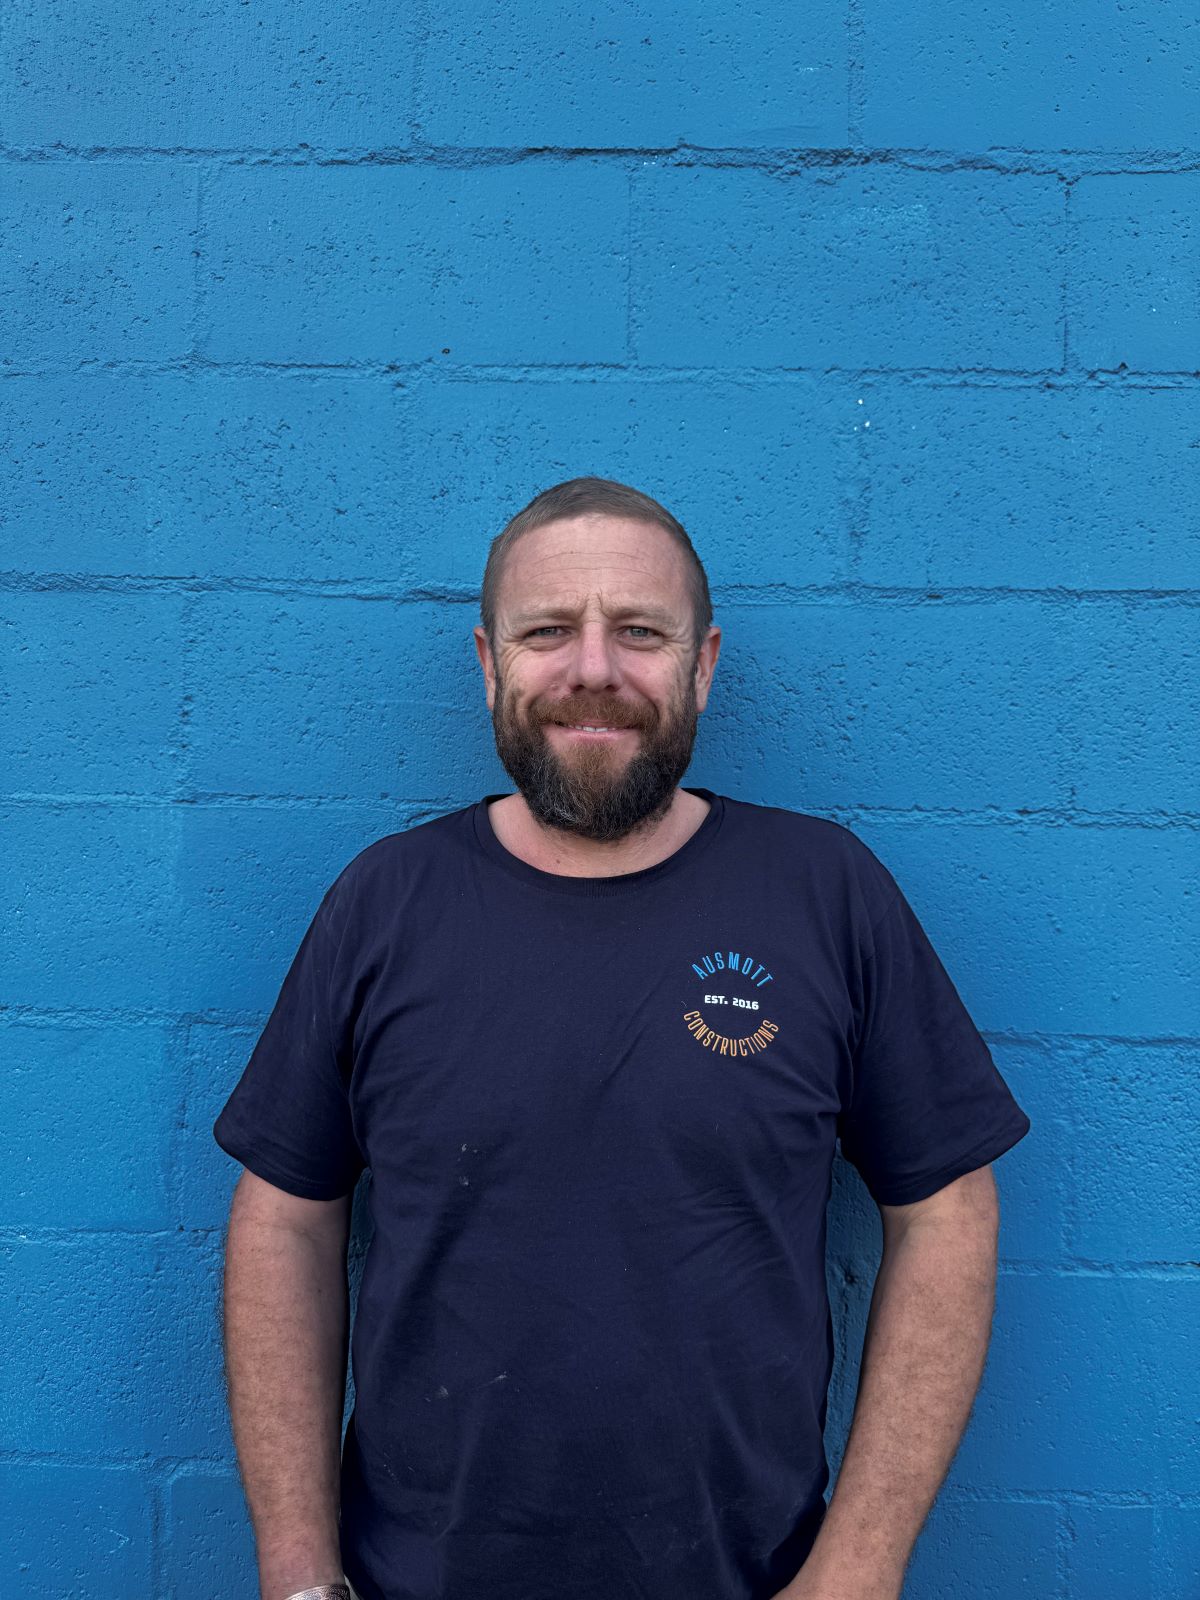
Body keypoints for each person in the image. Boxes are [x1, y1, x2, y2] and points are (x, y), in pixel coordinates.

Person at [213, 476, 1031, 1600]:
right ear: (489, 664)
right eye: (547, 631)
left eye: (640, 632)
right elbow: (286, 1221)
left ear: (703, 665)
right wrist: (301, 1570)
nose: (593, 669)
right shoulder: (386, 903)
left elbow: (948, 1210)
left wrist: (859, 1567)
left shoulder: (824, 894)